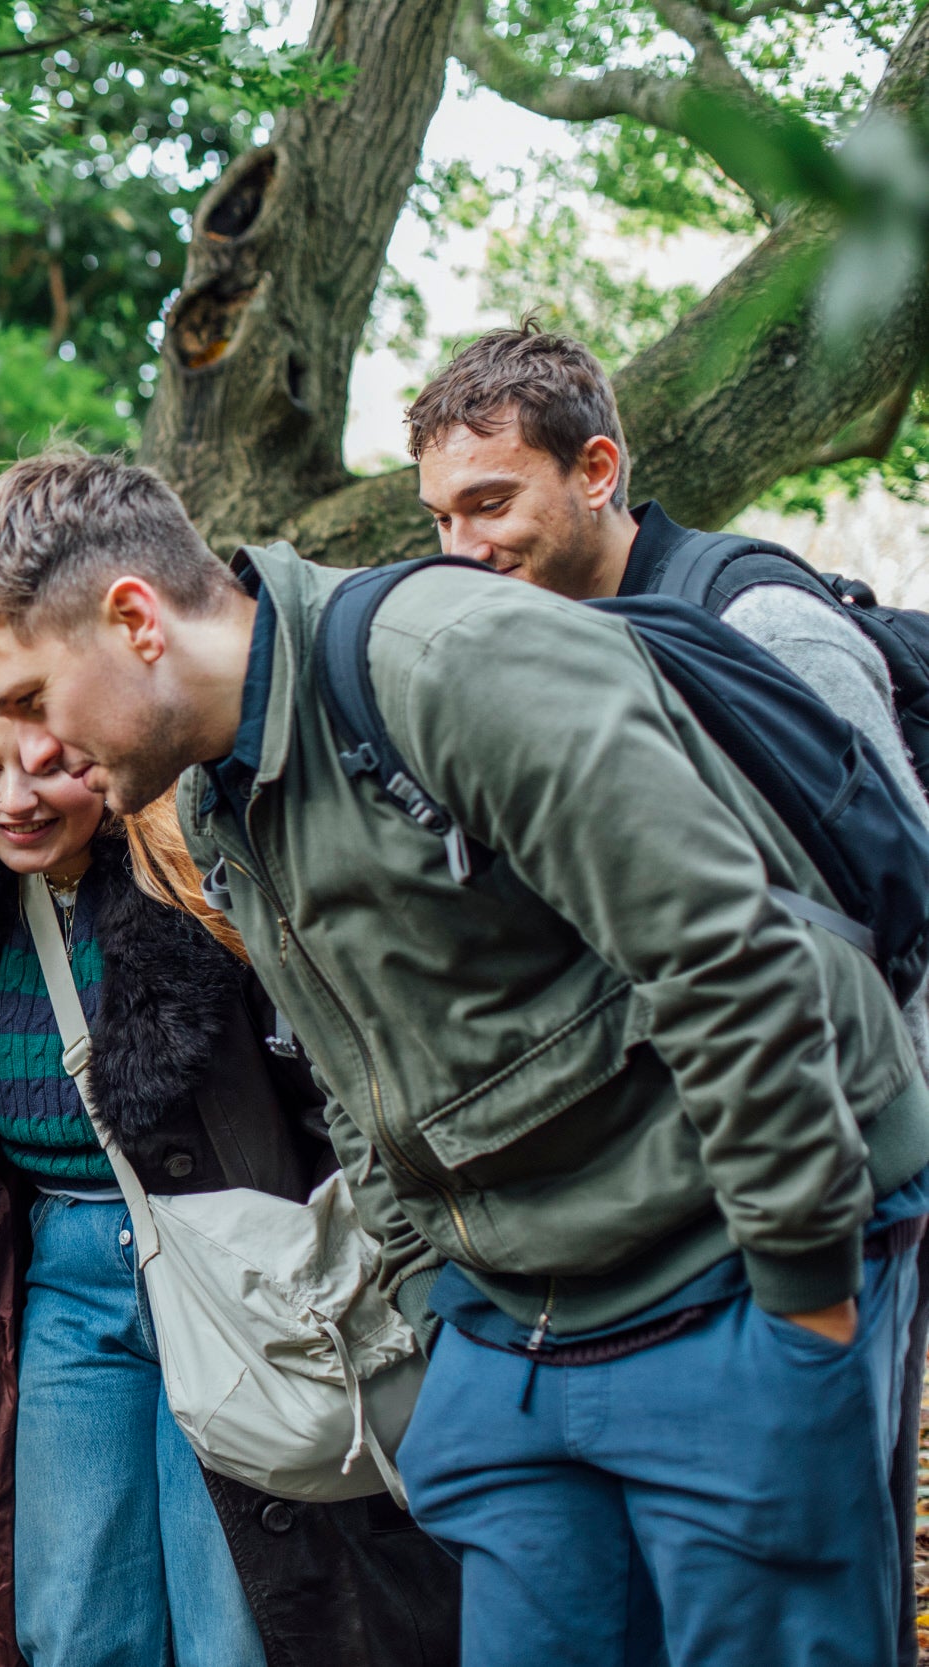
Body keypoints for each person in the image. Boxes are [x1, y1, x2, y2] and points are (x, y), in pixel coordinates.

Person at [0, 448, 929, 1667]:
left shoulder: (445, 660)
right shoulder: (219, 797)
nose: (33, 746)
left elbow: (736, 966)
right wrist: (440, 1311)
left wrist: (805, 1301)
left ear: (133, 619)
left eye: (29, 699)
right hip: (510, 1326)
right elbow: (356, 1081)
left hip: (733, 1276)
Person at [407, 323, 929, 1658]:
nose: (462, 546)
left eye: (490, 502)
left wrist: (863, 1214)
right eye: (439, 516)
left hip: (827, 1185)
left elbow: (895, 904)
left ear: (597, 469)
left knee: (804, 1574)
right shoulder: (508, 654)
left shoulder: (756, 621)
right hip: (661, 1211)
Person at [0, 681, 459, 1667]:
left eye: (50, 762)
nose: (16, 797)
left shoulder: (198, 880)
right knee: (75, 1615)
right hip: (65, 1270)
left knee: (236, 1615)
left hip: (227, 1266)